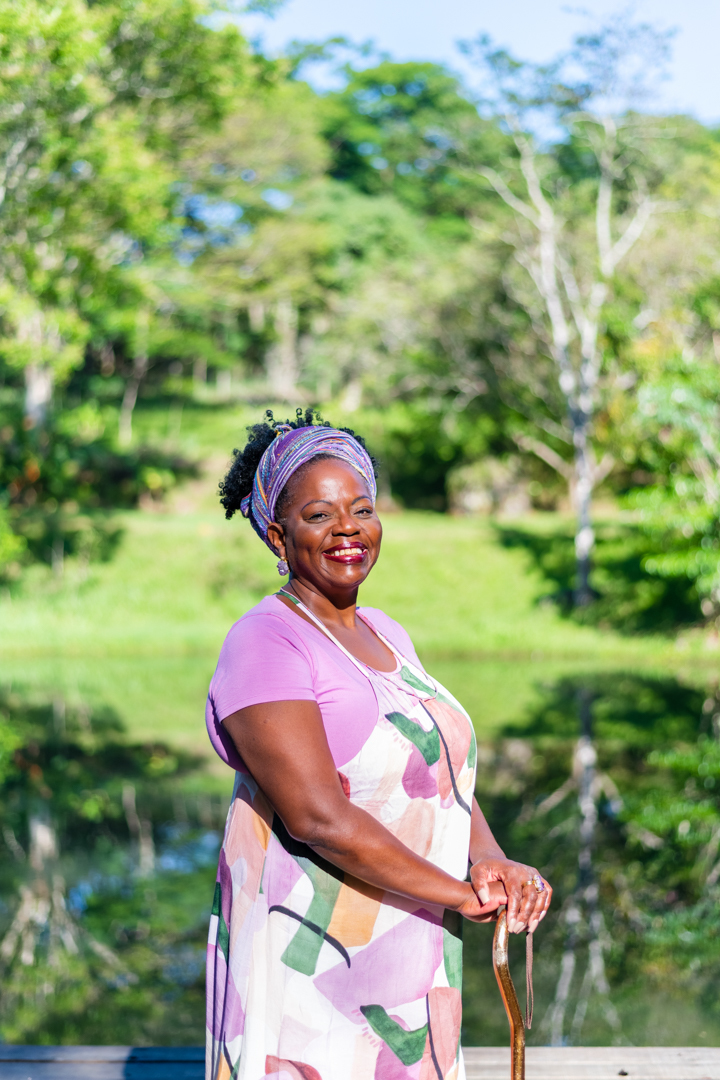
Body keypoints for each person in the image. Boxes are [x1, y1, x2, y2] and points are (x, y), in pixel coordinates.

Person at [205, 409, 551, 1080]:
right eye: (319, 515)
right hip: (312, 965)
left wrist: (489, 860)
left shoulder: (387, 631)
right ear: (277, 535)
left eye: (361, 509)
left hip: (410, 945)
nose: (347, 528)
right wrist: (458, 894)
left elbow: (438, 772)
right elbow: (317, 817)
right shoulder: (265, 641)